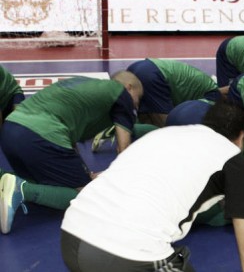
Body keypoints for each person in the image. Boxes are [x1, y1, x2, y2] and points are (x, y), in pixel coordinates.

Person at [60, 101, 244, 271]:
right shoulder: (231, 158)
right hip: (126, 254)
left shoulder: (161, 135)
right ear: (241, 138)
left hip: (71, 235)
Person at [0, 72, 143, 234]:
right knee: (88, 194)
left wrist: (84, 173)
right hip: (41, 134)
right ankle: (23, 190)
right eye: (138, 99)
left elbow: (69, 143)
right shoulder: (121, 93)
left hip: (10, 130)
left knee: (43, 183)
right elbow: (123, 149)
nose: (137, 106)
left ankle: (3, 179)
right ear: (129, 88)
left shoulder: (85, 87)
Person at [126, 58, 218, 127]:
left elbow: (167, 126)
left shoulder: (147, 79)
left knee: (171, 124)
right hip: (155, 75)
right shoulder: (137, 77)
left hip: (208, 96)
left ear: (129, 87)